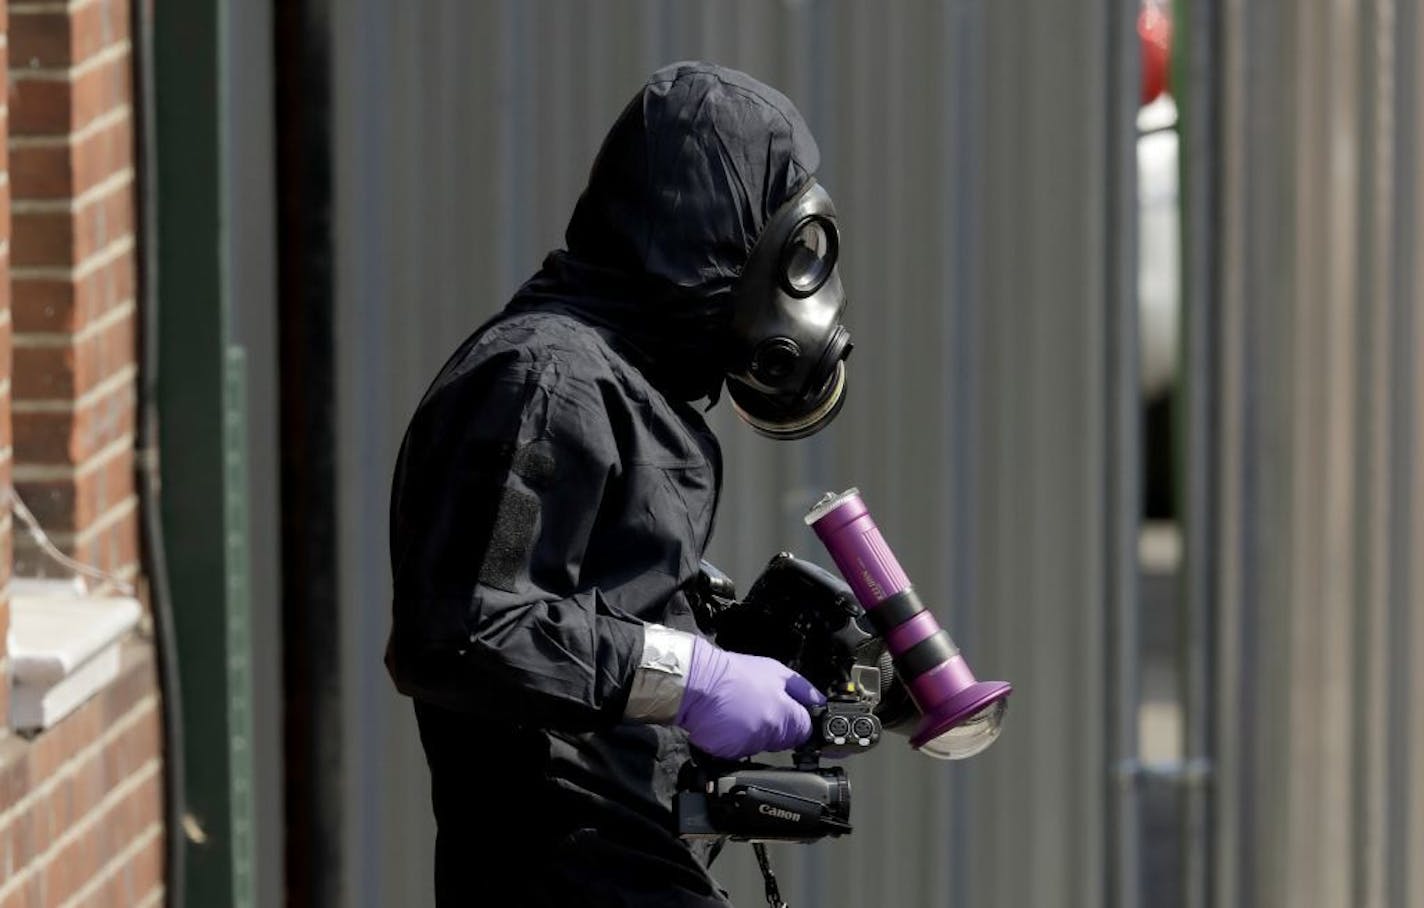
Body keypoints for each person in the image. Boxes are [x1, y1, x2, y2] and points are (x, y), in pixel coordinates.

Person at [386, 61, 854, 906]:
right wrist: (696, 679)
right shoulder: (543, 381)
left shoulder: (625, 390)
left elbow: (593, 635)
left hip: (627, 862)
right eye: (784, 252)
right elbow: (463, 633)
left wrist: (732, 658)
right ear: (714, 234)